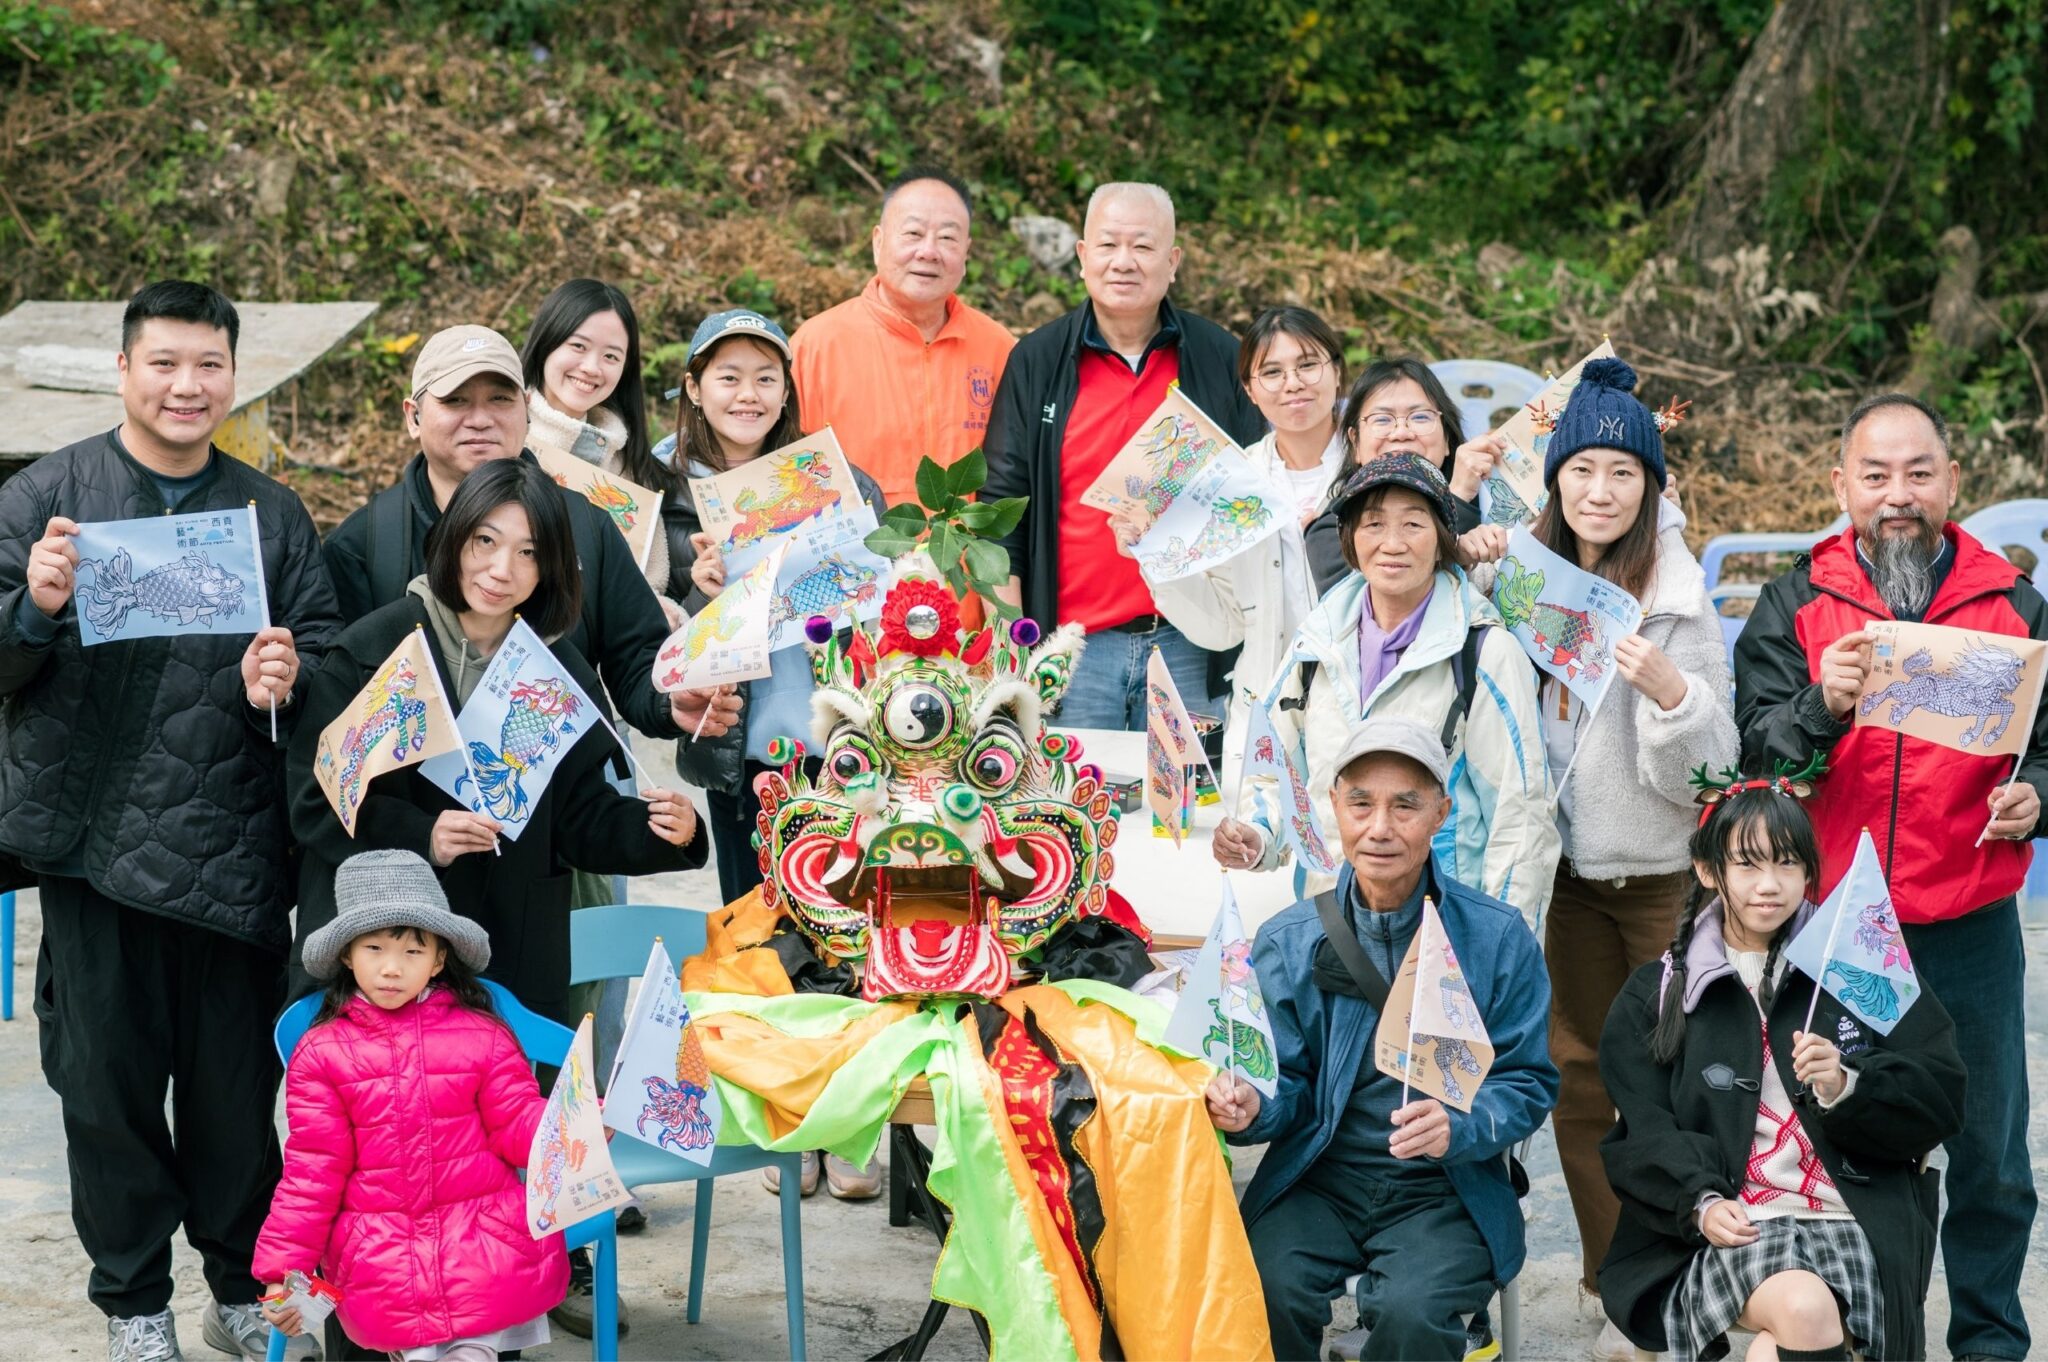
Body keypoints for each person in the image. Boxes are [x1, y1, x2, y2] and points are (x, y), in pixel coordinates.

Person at [287, 459, 706, 1345]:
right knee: (371, 1193)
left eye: (527, 552)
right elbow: (312, 799)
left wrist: (659, 832)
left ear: (551, 570)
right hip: (383, 974)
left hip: (503, 967)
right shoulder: (375, 647)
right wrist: (418, 836)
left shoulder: (549, 666)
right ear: (451, 538)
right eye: (484, 540)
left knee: (489, 1196)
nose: (501, 567)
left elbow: (583, 816)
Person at [0, 281, 340, 1362]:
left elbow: (327, 668)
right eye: (165, 363)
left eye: (208, 365)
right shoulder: (47, 496)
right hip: (96, 857)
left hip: (236, 851)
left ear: (233, 376)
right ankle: (133, 1305)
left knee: (239, 1099)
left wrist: (286, 675)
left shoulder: (271, 514)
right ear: (124, 370)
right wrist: (34, 607)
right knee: (105, 1096)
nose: (188, 386)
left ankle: (238, 1288)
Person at [1734, 392, 2045, 1362]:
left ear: (1953, 484)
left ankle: (1989, 1341)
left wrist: (2035, 795)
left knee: (1989, 1155)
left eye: (1916, 474)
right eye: (1873, 476)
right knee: (1852, 1140)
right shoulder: (1795, 601)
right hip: (1841, 927)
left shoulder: (2011, 606)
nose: (1895, 495)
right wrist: (1819, 706)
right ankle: (1870, 1336)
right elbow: (1755, 756)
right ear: (1839, 488)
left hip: (1969, 923)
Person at [1461, 358, 1736, 1356]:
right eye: (1582, 469)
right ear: (1556, 478)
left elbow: (1712, 778)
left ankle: (1691, 1272)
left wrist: (1672, 696)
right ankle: (1607, 1273)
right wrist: (1465, 538)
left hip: (1661, 878)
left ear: (1648, 487)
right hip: (1562, 881)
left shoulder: (1677, 600)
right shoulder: (1519, 582)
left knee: (1680, 1079)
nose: (1600, 490)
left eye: (1623, 473)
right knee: (1576, 1080)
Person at [1207, 716, 1557, 1362]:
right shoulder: (1289, 940)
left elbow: (1529, 1082)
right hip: (1321, 1173)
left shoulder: (1498, 939)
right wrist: (1251, 1106)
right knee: (1257, 1286)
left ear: (1441, 813)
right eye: (1361, 803)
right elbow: (1282, 1082)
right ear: (1334, 807)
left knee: (1412, 1313)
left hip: (1444, 1188)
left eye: (1406, 805)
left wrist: (1460, 1124)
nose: (1380, 828)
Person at [1598, 774, 1966, 1361]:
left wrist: (1849, 1085)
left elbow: (1943, 1096)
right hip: (1725, 1223)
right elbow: (1643, 1131)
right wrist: (1701, 1201)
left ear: (1809, 871)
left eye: (1788, 864)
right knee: (1803, 1308)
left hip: (1856, 1218)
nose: (1770, 886)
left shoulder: (1858, 969)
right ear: (1707, 869)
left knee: (1776, 1350)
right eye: (1747, 865)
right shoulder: (1660, 990)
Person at [667, 306, 890, 1201]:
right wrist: (696, 588)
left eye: (765, 376)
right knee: (755, 933)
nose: (747, 393)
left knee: (842, 923)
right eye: (727, 376)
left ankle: (849, 1121)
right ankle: (785, 1125)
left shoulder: (836, 477)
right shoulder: (668, 495)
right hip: (737, 749)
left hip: (830, 743)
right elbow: (636, 622)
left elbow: (884, 586)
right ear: (693, 389)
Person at [320, 323, 738, 744]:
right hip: (417, 803)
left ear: (525, 408)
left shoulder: (585, 526)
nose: (480, 419)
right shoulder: (363, 545)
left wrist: (670, 700)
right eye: (456, 401)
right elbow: (339, 704)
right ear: (413, 416)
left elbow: (636, 658)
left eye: (500, 399)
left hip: (574, 793)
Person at [1213, 453, 1559, 926]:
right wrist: (1257, 835)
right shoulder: (1316, 644)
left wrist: (1498, 949)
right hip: (1328, 919)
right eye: (1373, 524)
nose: (1392, 544)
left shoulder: (1482, 651)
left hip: (1442, 927)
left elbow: (1521, 818)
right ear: (1350, 540)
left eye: (1414, 524)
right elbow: (1275, 768)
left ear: (1442, 539)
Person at [256, 850, 570, 1361]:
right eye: (374, 948)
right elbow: (312, 1174)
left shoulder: (483, 1034)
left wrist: (577, 1119)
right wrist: (282, 1270)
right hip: (381, 1249)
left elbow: (517, 1125)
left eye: (412, 953)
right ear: (346, 955)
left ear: (440, 960)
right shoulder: (322, 1052)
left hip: (484, 1237)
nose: (391, 968)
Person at [983, 180, 1266, 729]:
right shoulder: (1038, 360)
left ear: (1173, 261)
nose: (1124, 262)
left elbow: (1255, 491)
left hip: (1192, 641)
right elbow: (1000, 511)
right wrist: (1014, 645)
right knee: (1077, 806)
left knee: (1189, 810)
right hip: (1075, 646)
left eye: (1143, 246)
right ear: (1084, 257)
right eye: (1108, 245)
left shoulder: (1218, 357)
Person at [1128, 305, 1349, 801]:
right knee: (1259, 860)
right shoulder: (1231, 484)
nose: (1292, 383)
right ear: (1249, 391)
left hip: (1361, 707)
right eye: (1271, 372)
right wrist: (1157, 553)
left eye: (1308, 364)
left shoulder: (1375, 463)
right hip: (1268, 712)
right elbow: (1222, 627)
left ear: (1337, 370)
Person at [789, 165, 1016, 512]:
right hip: (857, 562)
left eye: (947, 238)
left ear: (966, 253)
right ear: (878, 242)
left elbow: (1018, 476)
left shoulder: (1000, 349)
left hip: (968, 563)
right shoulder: (816, 345)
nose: (928, 251)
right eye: (913, 233)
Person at [519, 277, 676, 614]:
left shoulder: (631, 466)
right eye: (578, 346)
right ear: (547, 342)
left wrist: (661, 611)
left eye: (611, 356)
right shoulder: (501, 440)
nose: (591, 368)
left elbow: (650, 583)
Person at [1304, 359, 1488, 596]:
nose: (1401, 432)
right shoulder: (1331, 529)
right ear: (1355, 442)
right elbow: (1372, 600)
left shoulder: (1489, 498)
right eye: (1382, 419)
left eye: (1420, 417)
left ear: (1447, 439)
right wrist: (1457, 498)